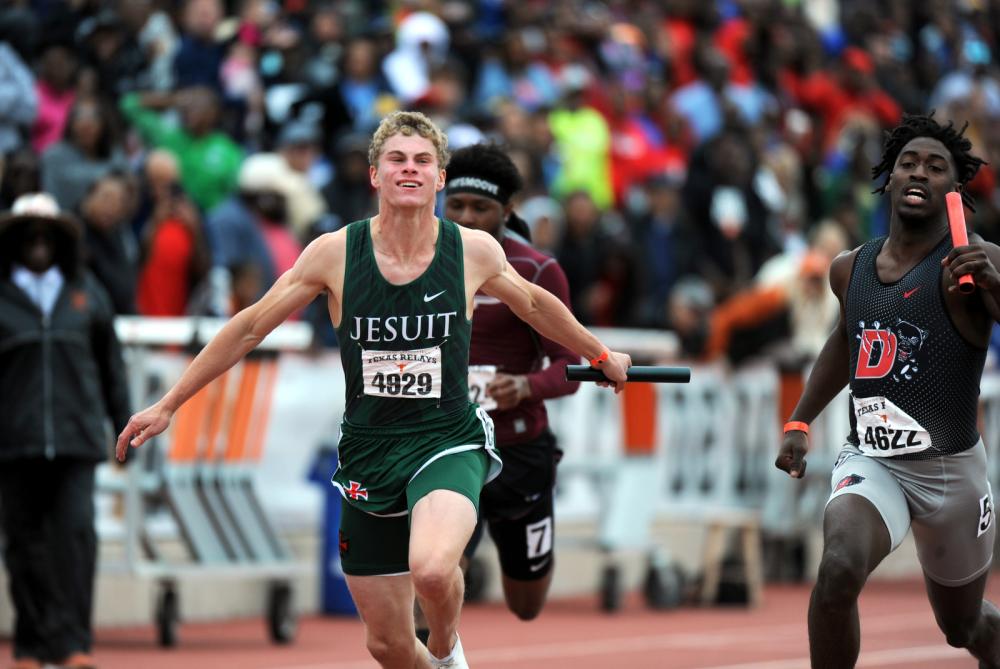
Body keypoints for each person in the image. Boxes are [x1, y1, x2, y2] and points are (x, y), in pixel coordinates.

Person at [116, 110, 631, 669]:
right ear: (375, 175)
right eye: (397, 160)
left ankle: (446, 653)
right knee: (385, 646)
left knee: (433, 570)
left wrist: (600, 354)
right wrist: (168, 404)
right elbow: (249, 326)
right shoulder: (334, 254)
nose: (409, 169)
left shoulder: (473, 250)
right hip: (368, 451)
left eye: (422, 161)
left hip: (447, 438)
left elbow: (535, 305)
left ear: (438, 178)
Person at [775, 113, 1000, 668]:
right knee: (838, 570)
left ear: (955, 188)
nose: (919, 172)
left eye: (936, 166)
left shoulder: (976, 263)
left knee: (963, 626)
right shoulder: (850, 269)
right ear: (889, 179)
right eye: (908, 163)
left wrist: (997, 289)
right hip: (874, 460)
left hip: (952, 471)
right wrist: (800, 421)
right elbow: (846, 341)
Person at [443, 143, 580, 621]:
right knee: (432, 580)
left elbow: (569, 366)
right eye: (456, 205)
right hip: (446, 447)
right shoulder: (415, 262)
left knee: (526, 604)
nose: (467, 217)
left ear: (507, 210)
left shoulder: (537, 270)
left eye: (481, 208)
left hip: (520, 452)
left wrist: (524, 386)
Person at [0, 192, 131, 669]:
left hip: (76, 440)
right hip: (14, 444)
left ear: (60, 239)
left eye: (46, 234)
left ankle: (74, 645)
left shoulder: (85, 291)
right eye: (28, 235)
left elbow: (110, 366)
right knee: (23, 543)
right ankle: (33, 644)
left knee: (76, 537)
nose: (38, 244)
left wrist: (124, 426)